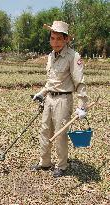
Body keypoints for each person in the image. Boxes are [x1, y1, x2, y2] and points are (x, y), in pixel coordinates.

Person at [31, 21, 88, 178]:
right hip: (49, 98)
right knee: (44, 131)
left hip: (63, 100)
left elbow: (80, 82)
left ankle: (62, 165)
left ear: (66, 40)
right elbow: (51, 81)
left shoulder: (73, 57)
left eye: (58, 39)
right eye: (52, 38)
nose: (55, 42)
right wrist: (41, 93)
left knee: (60, 134)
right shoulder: (50, 56)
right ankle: (45, 162)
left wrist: (82, 106)